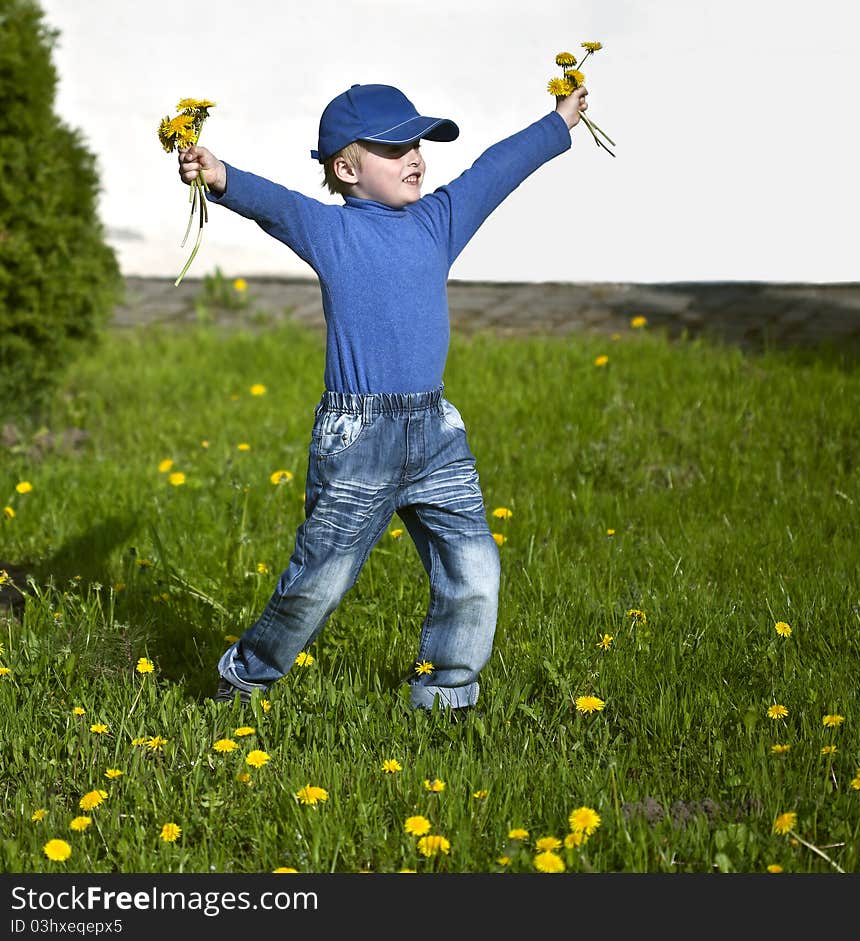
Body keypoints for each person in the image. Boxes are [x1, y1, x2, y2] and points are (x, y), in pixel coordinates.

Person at [177, 80, 588, 713]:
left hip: (436, 435)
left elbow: (495, 171)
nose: (416, 157)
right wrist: (219, 171)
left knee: (474, 570)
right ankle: (247, 674)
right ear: (346, 168)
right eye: (395, 148)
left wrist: (557, 122)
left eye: (419, 144)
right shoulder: (330, 231)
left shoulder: (438, 221)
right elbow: (276, 204)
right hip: (358, 442)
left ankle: (446, 694)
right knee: (320, 580)